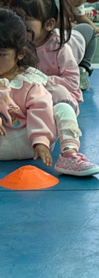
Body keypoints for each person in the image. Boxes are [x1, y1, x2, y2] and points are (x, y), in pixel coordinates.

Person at [10, 0, 99, 175]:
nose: (20, 23)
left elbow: (71, 82)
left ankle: (69, 153)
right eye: (16, 16)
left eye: (27, 19)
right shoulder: (14, 44)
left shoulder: (58, 47)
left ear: (49, 24)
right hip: (30, 96)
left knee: (60, 95)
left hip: (56, 92)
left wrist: (37, 80)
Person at [29, 0, 99, 90]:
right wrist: (74, 25)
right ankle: (83, 67)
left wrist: (94, 26)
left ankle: (81, 69)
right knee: (85, 33)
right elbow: (59, 23)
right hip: (42, 37)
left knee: (88, 31)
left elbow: (80, 16)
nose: (82, 2)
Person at [0, 9, 58, 169]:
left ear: (20, 54)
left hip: (27, 142)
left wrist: (40, 141)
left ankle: (70, 151)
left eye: (1, 54)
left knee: (62, 110)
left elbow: (40, 109)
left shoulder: (29, 81)